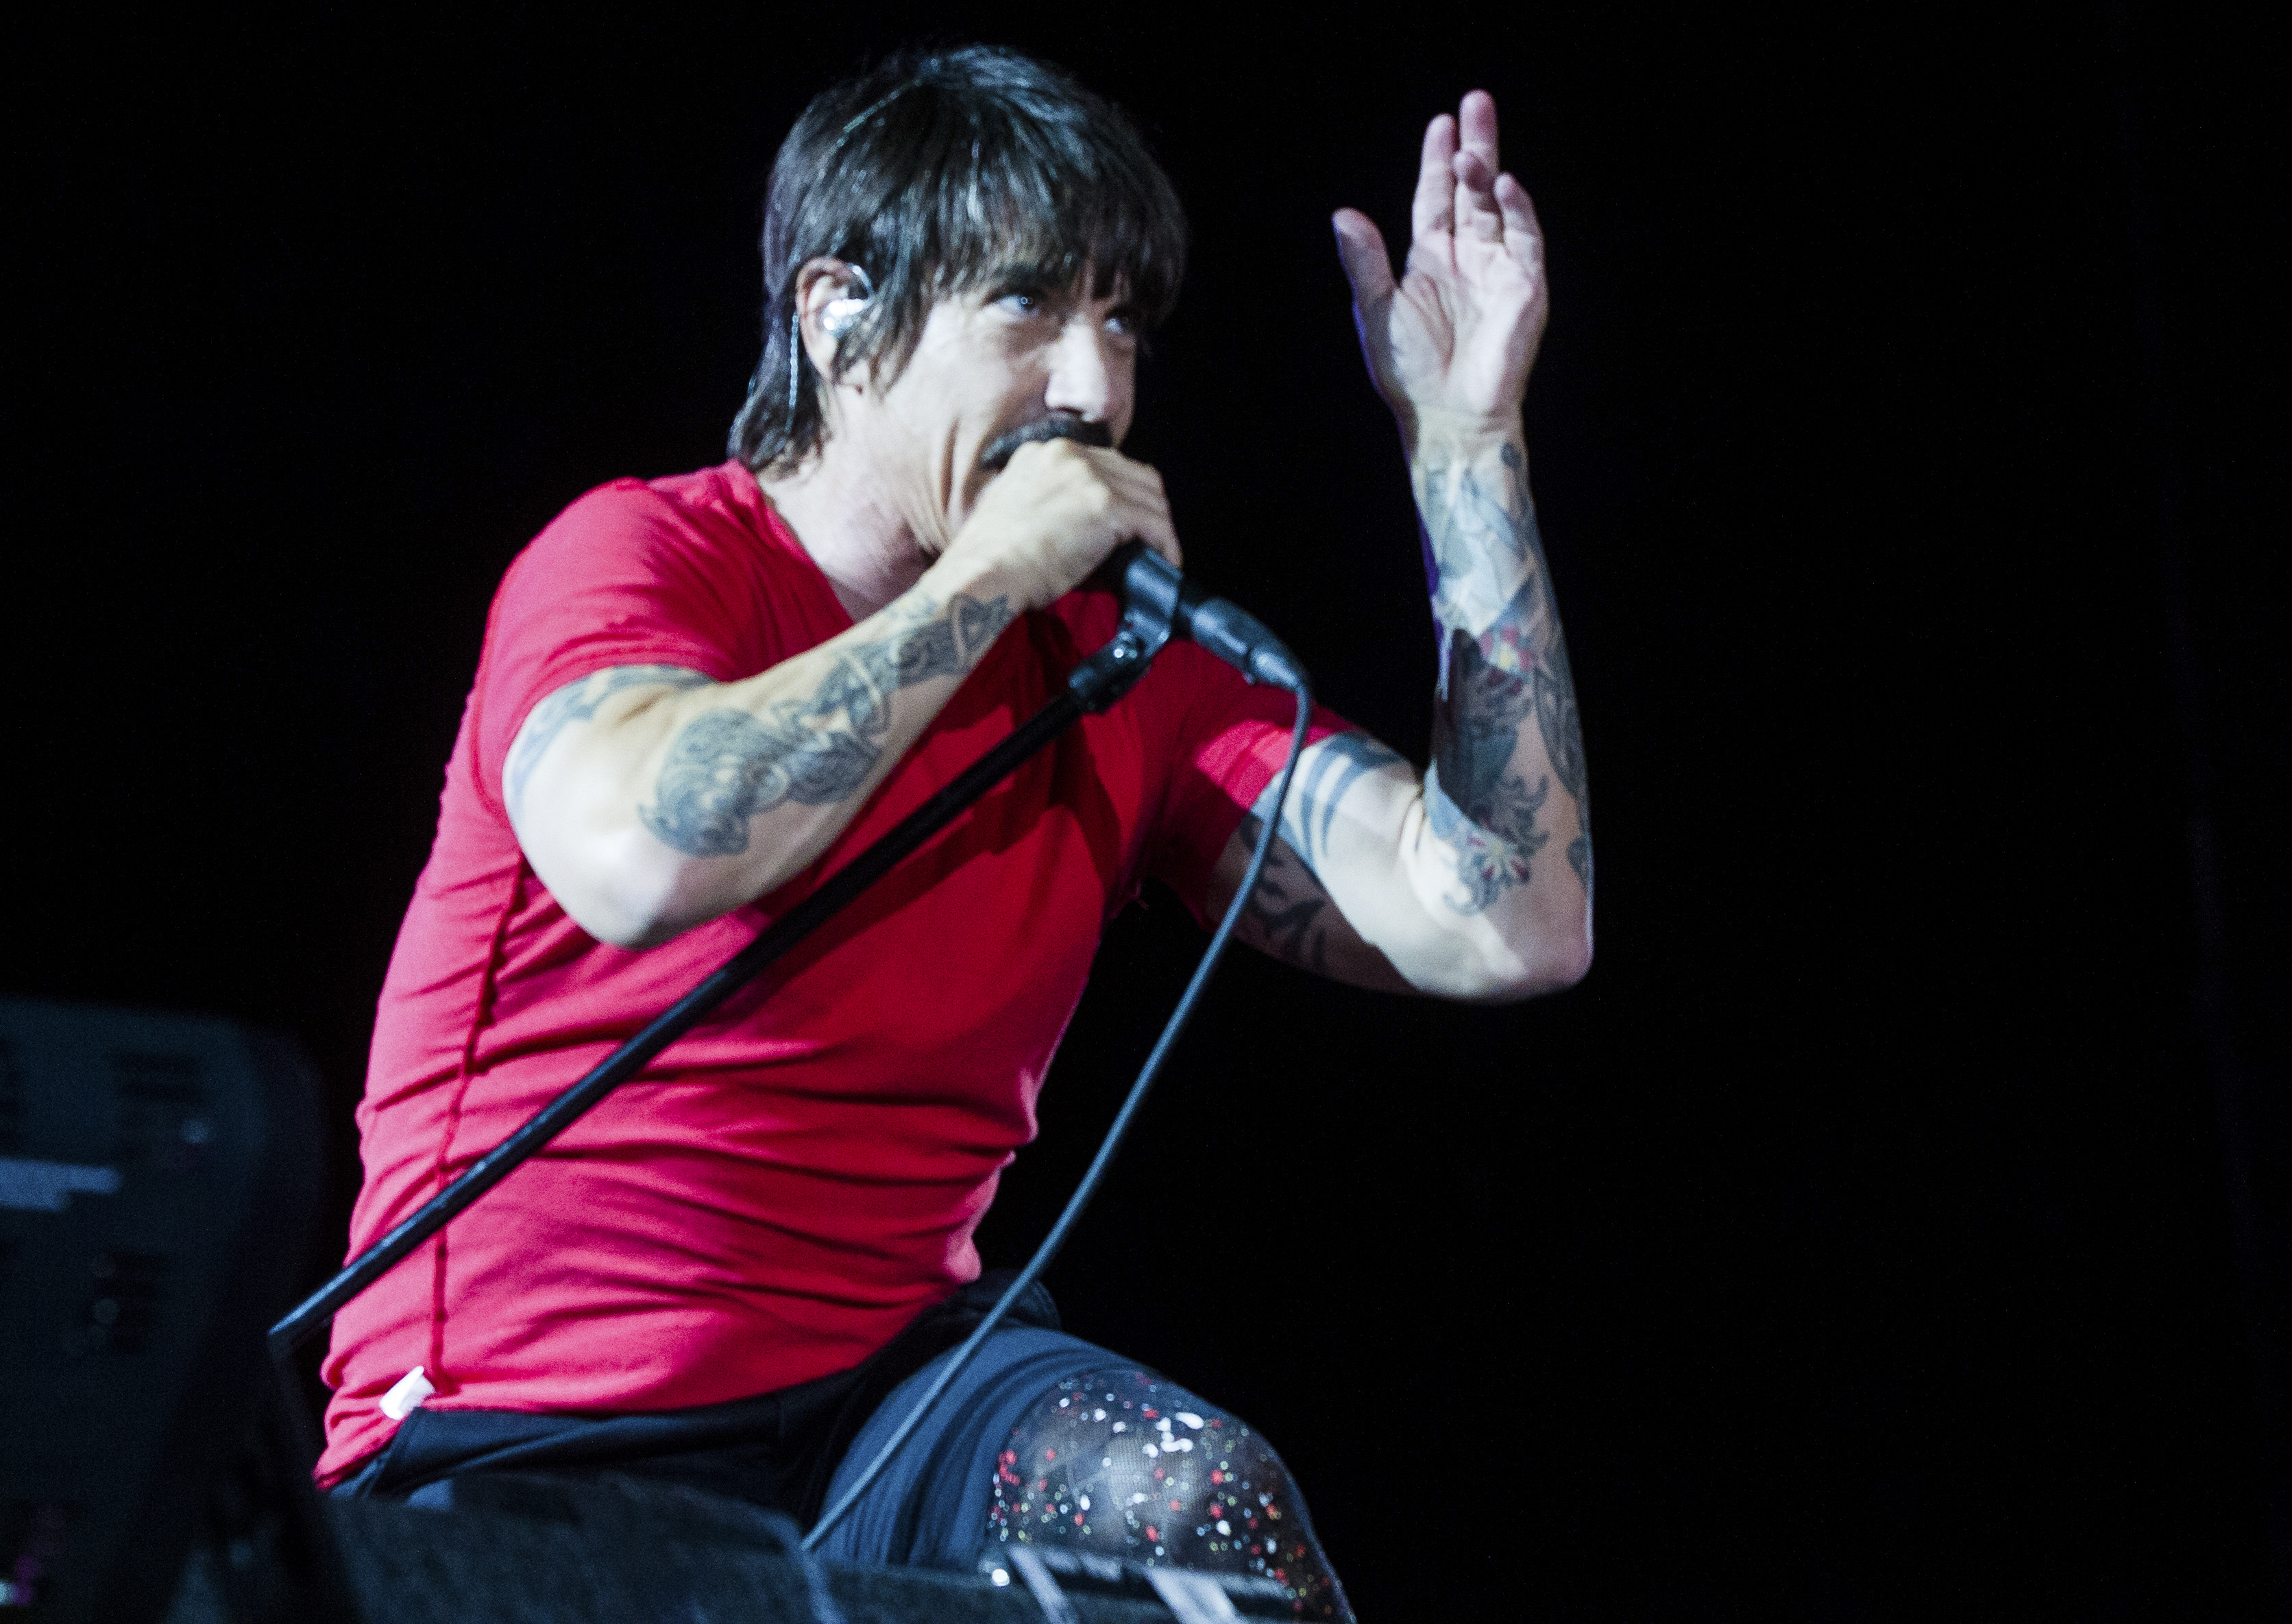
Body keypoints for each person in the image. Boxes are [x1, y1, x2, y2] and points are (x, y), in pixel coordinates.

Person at [318, 45, 1589, 1618]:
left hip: (887, 1411)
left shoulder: (1130, 672)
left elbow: (1509, 920)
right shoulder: (641, 560)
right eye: (1029, 308)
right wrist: (983, 583)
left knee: (1196, 1503)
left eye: (1120, 321)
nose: (1092, 389)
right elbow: (645, 853)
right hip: (527, 1436)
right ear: (839, 316)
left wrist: (1468, 458)